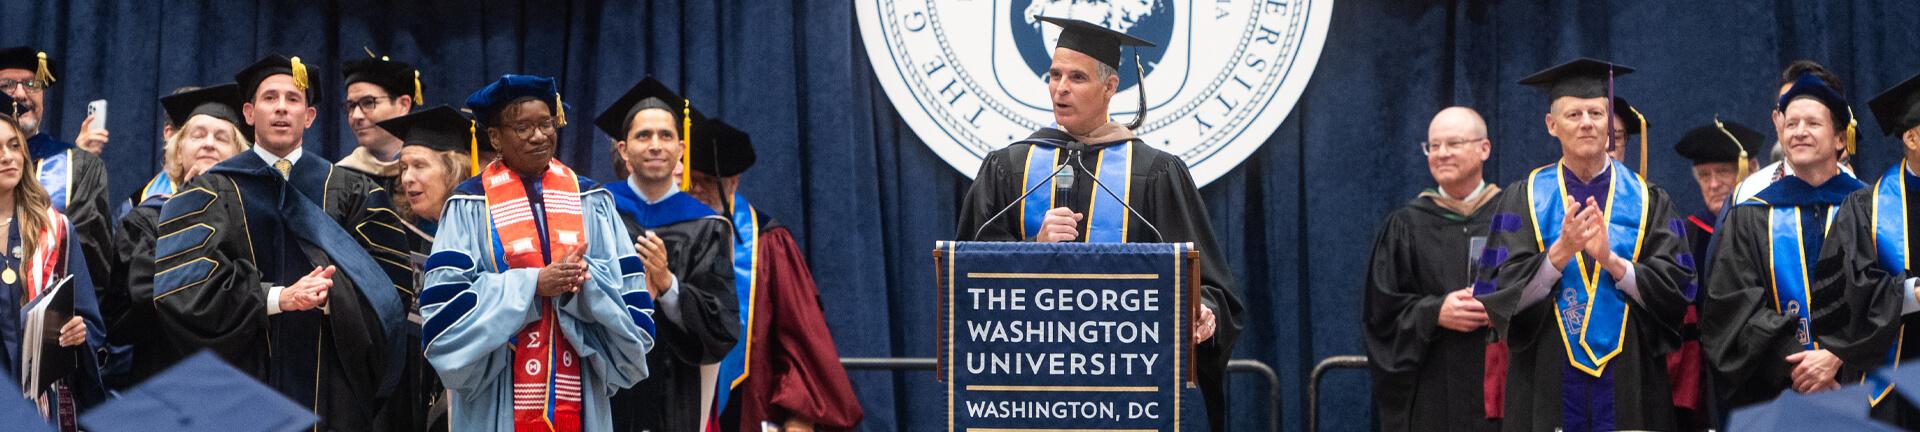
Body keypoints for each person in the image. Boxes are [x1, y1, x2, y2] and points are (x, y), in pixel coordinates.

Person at [954, 15, 1242, 430]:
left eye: (1077, 77)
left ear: (1110, 87)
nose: (1060, 88)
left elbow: (1211, 286)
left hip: (1130, 398)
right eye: (1054, 75)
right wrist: (1032, 248)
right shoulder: (1008, 169)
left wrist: (1206, 313)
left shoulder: (1156, 174)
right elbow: (968, 282)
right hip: (1030, 395)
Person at [131, 54, 412, 430]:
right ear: (249, 113)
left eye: (293, 99)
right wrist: (279, 298)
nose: (281, 108)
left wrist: (335, 300)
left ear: (309, 116)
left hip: (332, 389)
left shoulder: (352, 190)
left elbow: (391, 289)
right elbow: (184, 289)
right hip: (237, 386)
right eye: (270, 98)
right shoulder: (207, 192)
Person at [421, 74, 656, 432]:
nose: (539, 135)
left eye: (547, 123)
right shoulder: (469, 205)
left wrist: (586, 282)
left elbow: (632, 308)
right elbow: (443, 315)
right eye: (523, 126)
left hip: (578, 385)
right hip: (498, 390)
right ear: (495, 137)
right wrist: (531, 285)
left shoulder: (590, 201)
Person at [1473, 58, 1692, 431]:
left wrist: (1612, 262)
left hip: (1631, 378)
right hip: (1545, 378)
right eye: (1573, 114)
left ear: (1610, 123)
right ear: (1551, 125)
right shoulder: (1522, 198)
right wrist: (1559, 254)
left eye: (1596, 112)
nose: (1587, 122)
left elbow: (1679, 292)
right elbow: (1495, 297)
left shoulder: (1649, 200)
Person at [678, 119, 864, 431]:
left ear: (733, 182)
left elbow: (799, 337)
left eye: (707, 181)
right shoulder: (664, 232)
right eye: (689, 179)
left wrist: (799, 417)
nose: (696, 190)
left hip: (745, 406)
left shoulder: (767, 243)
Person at [1702, 72, 1867, 413]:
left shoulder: (1872, 210)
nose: (1799, 132)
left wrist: (1837, 356)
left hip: (1860, 386)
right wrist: (1798, 365)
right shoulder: (1750, 215)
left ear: (1840, 138)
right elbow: (1732, 304)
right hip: (1779, 393)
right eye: (1791, 124)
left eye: (1812, 123)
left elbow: (1889, 294)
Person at [592, 77, 741, 432]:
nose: (655, 145)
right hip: (605, 387)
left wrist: (668, 284)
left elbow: (722, 326)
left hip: (675, 392)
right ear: (624, 150)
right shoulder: (595, 213)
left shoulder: (707, 227)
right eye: (643, 136)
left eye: (665, 136)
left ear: (681, 149)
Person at [102, 83, 252, 389]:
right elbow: (145, 298)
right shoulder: (144, 220)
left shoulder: (253, 222)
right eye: (197, 135)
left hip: (238, 379)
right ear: (177, 150)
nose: (209, 143)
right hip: (163, 376)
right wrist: (191, 203)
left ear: (238, 155)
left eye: (222, 138)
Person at [1362, 107, 1501, 431]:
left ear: (1484, 148)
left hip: (1502, 389)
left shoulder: (1513, 214)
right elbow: (1379, 316)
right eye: (1433, 146)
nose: (1441, 154)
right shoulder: (1405, 224)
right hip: (1432, 394)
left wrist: (1503, 309)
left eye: (1453, 143)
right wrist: (1434, 312)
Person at [1808, 70, 1920, 428]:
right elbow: (1844, 301)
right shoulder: (1865, 210)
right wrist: (1913, 294)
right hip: (1892, 391)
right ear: (1912, 137)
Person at [373, 104, 482, 431]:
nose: (407, 178)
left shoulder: (485, 238)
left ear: (454, 169)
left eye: (419, 166)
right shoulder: (400, 239)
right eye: (404, 167)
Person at [0, 101, 105, 430]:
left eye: (14, 145)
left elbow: (88, 320)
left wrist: (77, 332)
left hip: (40, 404)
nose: (7, 156)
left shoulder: (56, 231)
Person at [0, 47, 114, 315]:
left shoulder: (78, 166)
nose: (20, 94)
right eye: (6, 85)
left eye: (31, 84)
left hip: (51, 320)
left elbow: (88, 250)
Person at [336, 53, 422, 193]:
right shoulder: (339, 178)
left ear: (403, 105)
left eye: (368, 102)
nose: (356, 116)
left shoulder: (430, 176)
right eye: (351, 105)